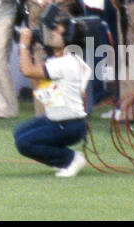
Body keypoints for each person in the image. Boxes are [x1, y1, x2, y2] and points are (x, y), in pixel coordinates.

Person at [13, 16, 90, 177]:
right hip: (58, 119)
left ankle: (70, 159)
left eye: (58, 32)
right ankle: (59, 158)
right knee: (19, 133)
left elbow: (27, 70)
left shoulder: (64, 63)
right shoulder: (66, 59)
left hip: (68, 124)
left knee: (23, 143)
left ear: (68, 39)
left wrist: (24, 44)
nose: (52, 33)